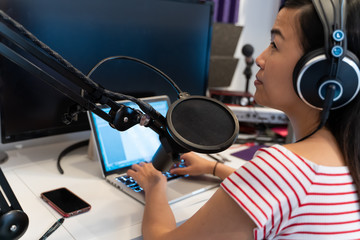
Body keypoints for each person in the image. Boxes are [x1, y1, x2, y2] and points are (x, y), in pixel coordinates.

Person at [127, 0, 360, 238]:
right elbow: (285, 194)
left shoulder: (282, 170)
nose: (260, 58)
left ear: (318, 71)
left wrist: (155, 184)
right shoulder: (347, 156)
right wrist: (215, 168)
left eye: (274, 45)